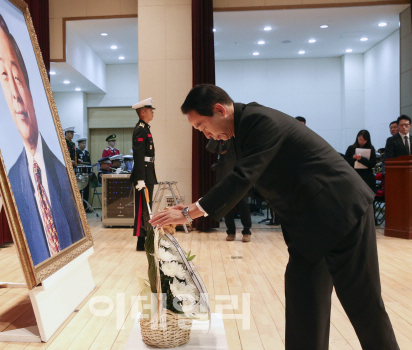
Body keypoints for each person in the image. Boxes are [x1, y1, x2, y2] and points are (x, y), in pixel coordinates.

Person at [150, 84, 399, 350]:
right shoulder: (238, 131)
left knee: (362, 302)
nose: (204, 134)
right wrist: (193, 205)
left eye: (201, 126)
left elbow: (243, 177)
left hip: (340, 210)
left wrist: (189, 213)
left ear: (220, 110)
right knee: (304, 298)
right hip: (308, 224)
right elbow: (229, 176)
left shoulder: (259, 121)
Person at [0, 7, 84, 265]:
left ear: (29, 84)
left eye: (17, 75)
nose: (15, 92)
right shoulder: (11, 182)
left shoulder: (63, 176)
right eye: (4, 76)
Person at [206, 137, 251, 242]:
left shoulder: (240, 134)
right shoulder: (219, 135)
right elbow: (210, 148)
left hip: (240, 173)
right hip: (224, 173)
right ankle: (230, 231)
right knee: (226, 204)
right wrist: (218, 143)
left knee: (243, 204)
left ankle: (247, 231)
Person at [131, 98, 157, 251]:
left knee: (148, 208)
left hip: (148, 172)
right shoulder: (141, 129)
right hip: (143, 174)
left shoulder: (145, 128)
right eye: (150, 110)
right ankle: (142, 242)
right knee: (143, 208)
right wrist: (140, 178)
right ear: (142, 112)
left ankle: (146, 239)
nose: (152, 112)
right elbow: (138, 154)